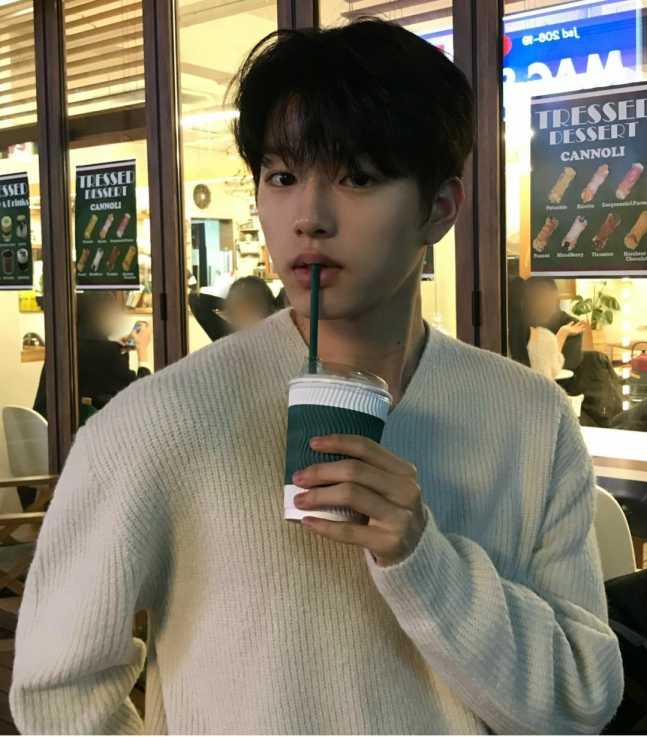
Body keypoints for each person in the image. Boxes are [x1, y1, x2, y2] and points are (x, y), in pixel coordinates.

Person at [11, 19, 622, 734]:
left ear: (439, 208)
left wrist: (422, 558)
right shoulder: (161, 420)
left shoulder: (529, 417)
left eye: (357, 177)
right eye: (282, 177)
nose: (309, 217)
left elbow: (579, 699)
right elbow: (58, 689)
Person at [33, 291, 152, 418]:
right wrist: (142, 350)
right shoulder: (108, 353)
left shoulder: (62, 347)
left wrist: (118, 347)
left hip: (47, 426)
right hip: (80, 429)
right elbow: (142, 396)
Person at [188, 275, 276, 340]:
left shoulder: (274, 337)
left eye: (251, 307)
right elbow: (195, 300)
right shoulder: (226, 332)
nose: (242, 313)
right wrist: (226, 305)